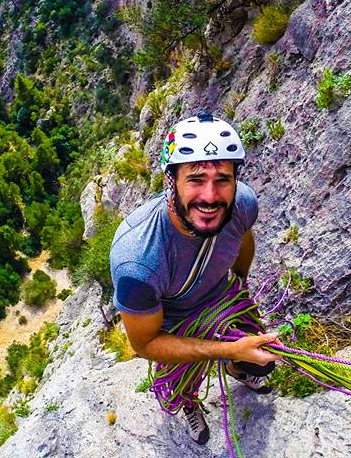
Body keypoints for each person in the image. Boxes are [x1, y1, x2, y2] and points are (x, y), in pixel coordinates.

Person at [109, 112, 279, 445]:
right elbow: (145, 344)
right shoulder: (138, 261)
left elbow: (243, 238)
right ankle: (189, 400)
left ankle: (239, 368)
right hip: (171, 325)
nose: (211, 196)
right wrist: (228, 347)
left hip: (221, 298)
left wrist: (240, 285)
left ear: (235, 180)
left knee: (262, 364)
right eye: (196, 179)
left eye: (223, 179)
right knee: (180, 381)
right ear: (170, 181)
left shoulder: (242, 203)